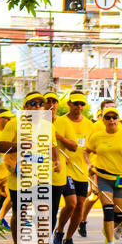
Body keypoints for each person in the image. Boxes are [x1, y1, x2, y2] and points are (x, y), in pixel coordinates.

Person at [0, 92, 58, 244]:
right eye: (33, 103)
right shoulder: (15, 124)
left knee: (43, 214)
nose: (38, 107)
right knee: (20, 215)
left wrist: (57, 162)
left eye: (41, 104)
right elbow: (0, 146)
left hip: (42, 176)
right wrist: (18, 145)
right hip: (19, 176)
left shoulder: (48, 126)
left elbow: (52, 147)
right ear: (25, 107)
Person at [85, 106, 122, 244]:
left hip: (121, 177)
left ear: (118, 119)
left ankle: (109, 229)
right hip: (102, 176)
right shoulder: (97, 136)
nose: (111, 120)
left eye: (114, 117)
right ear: (103, 120)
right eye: (108, 117)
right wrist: (89, 165)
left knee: (119, 214)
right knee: (108, 209)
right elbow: (86, 151)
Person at [52, 91, 94, 244]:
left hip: (82, 170)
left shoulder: (89, 125)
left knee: (80, 206)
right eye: (76, 103)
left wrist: (92, 167)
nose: (79, 107)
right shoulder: (59, 122)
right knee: (71, 203)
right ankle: (59, 231)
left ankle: (68, 238)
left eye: (82, 104)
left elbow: (92, 148)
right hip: (65, 169)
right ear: (69, 104)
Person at [79, 98, 116, 238]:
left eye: (113, 108)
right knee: (103, 196)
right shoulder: (96, 127)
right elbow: (87, 149)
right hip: (97, 166)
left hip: (115, 168)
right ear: (101, 111)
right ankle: (120, 226)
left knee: (94, 196)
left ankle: (82, 220)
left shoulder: (118, 125)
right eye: (108, 109)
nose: (111, 112)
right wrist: (90, 165)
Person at [44, 92, 70, 234]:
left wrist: (60, 137)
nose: (51, 104)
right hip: (37, 173)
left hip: (57, 173)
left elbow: (74, 146)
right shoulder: (34, 122)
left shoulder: (63, 122)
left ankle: (47, 242)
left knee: (53, 210)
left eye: (54, 102)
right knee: (40, 209)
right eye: (48, 101)